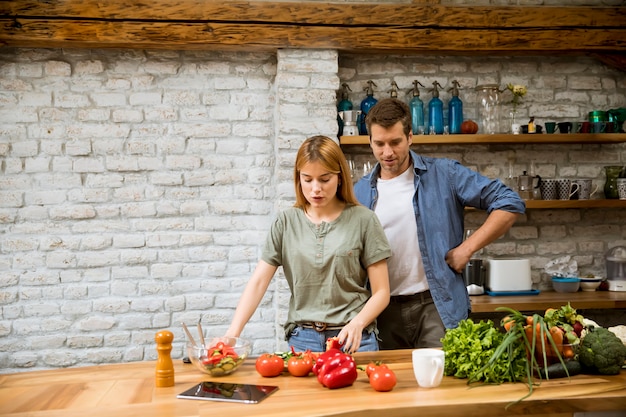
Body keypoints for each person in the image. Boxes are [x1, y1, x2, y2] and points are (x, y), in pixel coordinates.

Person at [354, 98, 525, 350]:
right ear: (369, 142)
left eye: (395, 142)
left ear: (410, 137)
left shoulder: (445, 174)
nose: (387, 152)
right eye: (379, 144)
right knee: (393, 387)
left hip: (436, 305)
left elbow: (509, 201)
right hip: (382, 312)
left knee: (442, 385)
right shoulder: (359, 192)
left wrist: (466, 249)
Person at [226, 135, 391, 353]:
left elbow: (382, 292)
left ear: (339, 177)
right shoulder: (285, 222)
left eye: (325, 179)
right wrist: (232, 334)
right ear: (298, 178)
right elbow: (258, 282)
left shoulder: (365, 220)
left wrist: (358, 324)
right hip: (303, 340)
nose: (315, 189)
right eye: (307, 179)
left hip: (352, 339)